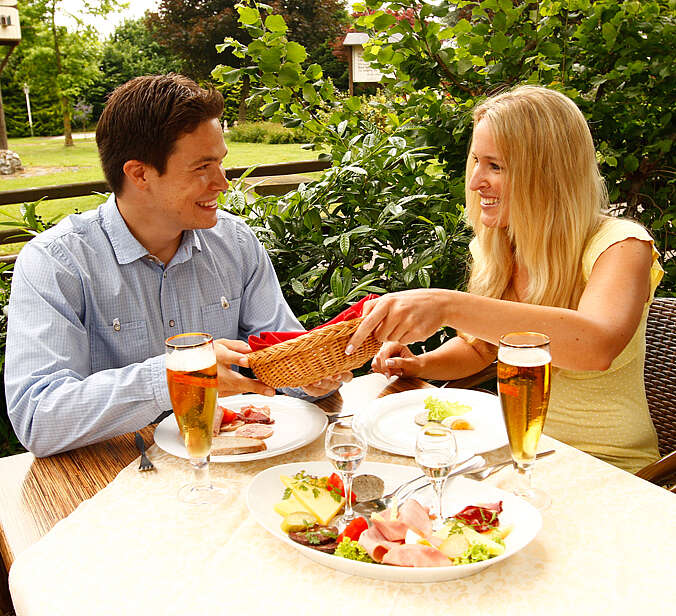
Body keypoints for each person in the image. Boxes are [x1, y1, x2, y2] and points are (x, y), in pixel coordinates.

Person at [5, 74, 347, 457]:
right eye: (202, 167)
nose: (222, 183)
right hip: (114, 476)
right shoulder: (56, 263)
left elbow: (282, 349)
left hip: (233, 463)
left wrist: (313, 373)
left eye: (220, 163)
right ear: (139, 174)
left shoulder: (235, 242)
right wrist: (179, 375)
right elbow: (37, 419)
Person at [345, 85, 662, 474]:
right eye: (476, 161)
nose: (476, 182)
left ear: (548, 175)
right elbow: (481, 350)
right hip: (515, 454)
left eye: (496, 166)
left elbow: (594, 347)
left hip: (611, 470)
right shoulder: (496, 247)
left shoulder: (621, 245)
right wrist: (420, 365)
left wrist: (447, 305)